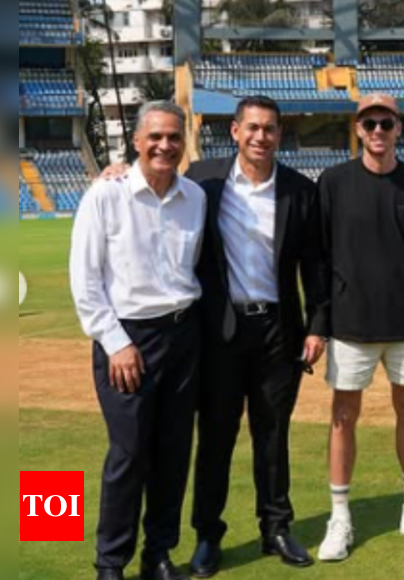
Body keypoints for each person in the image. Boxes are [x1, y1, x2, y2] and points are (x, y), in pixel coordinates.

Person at [183, 96, 326, 576]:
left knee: (273, 434)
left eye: (269, 129)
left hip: (278, 332)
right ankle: (207, 534)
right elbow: (154, 195)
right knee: (217, 436)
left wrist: (317, 326)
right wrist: (114, 174)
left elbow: (315, 266)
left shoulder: (298, 190)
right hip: (220, 330)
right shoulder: (202, 180)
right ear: (234, 131)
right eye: (252, 128)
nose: (261, 136)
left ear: (279, 134)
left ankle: (276, 527)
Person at [316, 93, 404, 561]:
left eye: (386, 123)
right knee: (343, 416)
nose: (378, 131)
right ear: (357, 129)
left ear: (399, 129)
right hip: (350, 323)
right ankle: (340, 516)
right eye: (369, 123)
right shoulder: (332, 182)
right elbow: (320, 256)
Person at [71, 101, 206, 580]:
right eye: (155, 137)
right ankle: (111, 562)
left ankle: (159, 553)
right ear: (136, 141)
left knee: (173, 452)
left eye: (173, 137)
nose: (165, 145)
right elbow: (85, 281)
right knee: (129, 454)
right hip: (127, 340)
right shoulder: (105, 196)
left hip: (183, 337)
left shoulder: (195, 196)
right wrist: (115, 342)